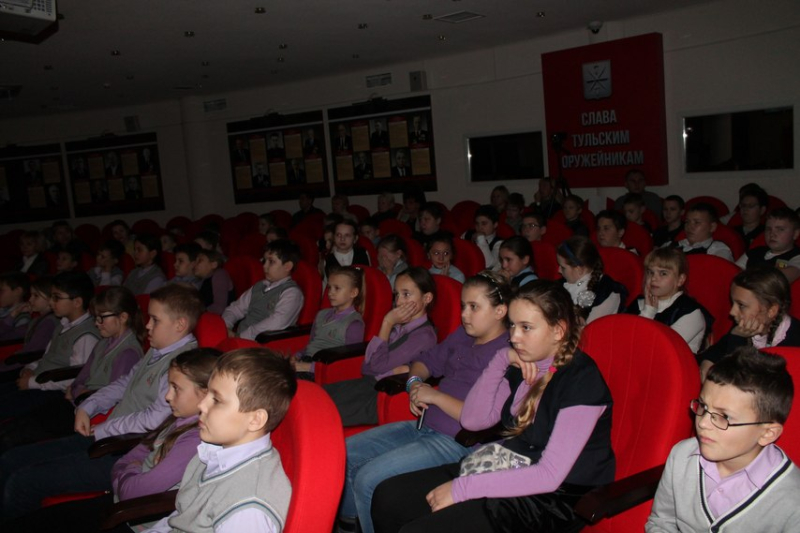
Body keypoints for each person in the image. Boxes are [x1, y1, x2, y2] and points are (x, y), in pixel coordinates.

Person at [372, 280, 615, 533]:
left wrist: (462, 489)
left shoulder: (581, 379)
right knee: (388, 497)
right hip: (509, 464)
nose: (514, 337)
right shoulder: (522, 363)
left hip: (555, 498)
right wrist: (501, 359)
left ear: (558, 330)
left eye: (526, 327)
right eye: (512, 325)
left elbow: (549, 474)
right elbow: (473, 421)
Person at [0, 284, 203, 519]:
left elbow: (153, 421)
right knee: (11, 459)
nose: (147, 325)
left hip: (125, 449)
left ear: (179, 325)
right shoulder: (159, 349)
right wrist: (88, 406)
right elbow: (124, 383)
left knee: (23, 482)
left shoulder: (184, 367)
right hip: (108, 436)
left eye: (155, 320)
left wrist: (103, 429)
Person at [339, 272, 511, 533]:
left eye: (474, 307)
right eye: (463, 306)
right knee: (346, 454)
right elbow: (425, 361)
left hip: (457, 441)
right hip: (423, 425)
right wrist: (414, 383)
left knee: (367, 479)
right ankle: (350, 526)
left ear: (500, 311)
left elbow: (483, 418)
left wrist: (434, 396)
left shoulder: (508, 352)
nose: (464, 314)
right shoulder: (463, 335)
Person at [3, 348, 219, 533]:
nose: (167, 396)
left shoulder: (194, 439)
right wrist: (129, 469)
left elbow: (133, 492)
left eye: (176, 388)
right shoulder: (179, 419)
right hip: (121, 498)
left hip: (131, 518)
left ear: (205, 394)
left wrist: (127, 470)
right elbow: (135, 454)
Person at [646, 347, 800, 532]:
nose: (703, 423)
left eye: (724, 417)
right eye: (703, 406)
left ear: (767, 433)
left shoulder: (793, 499)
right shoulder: (682, 455)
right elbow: (661, 522)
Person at [142, 348, 296, 533]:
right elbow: (180, 517)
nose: (201, 405)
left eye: (216, 400)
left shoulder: (247, 510)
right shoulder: (213, 451)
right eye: (207, 393)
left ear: (255, 420)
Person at [0, 286, 145, 452]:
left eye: (101, 318)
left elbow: (115, 397)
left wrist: (79, 392)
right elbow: (82, 376)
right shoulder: (104, 342)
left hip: (93, 415)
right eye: (95, 318)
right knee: (17, 424)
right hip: (77, 403)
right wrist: (77, 389)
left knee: (17, 437)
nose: (96, 323)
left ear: (123, 317)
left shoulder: (128, 353)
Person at [325, 267, 437, 426]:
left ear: (427, 298)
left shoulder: (423, 336)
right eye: (397, 294)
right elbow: (366, 367)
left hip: (381, 396)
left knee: (321, 413)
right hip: (369, 384)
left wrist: (387, 322)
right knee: (316, 396)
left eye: (406, 294)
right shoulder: (400, 325)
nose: (399, 302)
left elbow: (375, 365)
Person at [0, 271, 100, 392]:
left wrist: (32, 383)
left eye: (56, 298)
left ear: (77, 302)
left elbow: (76, 376)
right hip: (39, 380)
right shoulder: (62, 325)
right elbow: (47, 357)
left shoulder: (86, 335)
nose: (51, 302)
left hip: (54, 391)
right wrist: (30, 368)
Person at [699, 266, 800, 378]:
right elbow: (719, 348)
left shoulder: (794, 341)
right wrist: (708, 361)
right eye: (733, 303)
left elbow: (740, 376)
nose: (732, 312)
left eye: (741, 305)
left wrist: (737, 338)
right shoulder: (744, 326)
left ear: (771, 311)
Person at [626, 248, 711, 353]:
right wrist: (647, 309)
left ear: (680, 280)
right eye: (650, 272)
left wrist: (648, 312)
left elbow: (659, 351)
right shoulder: (638, 303)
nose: (653, 278)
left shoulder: (690, 312)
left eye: (663, 273)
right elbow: (621, 340)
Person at [222, 239, 303, 341]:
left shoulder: (292, 293)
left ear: (287, 266)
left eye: (271, 262)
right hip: (240, 339)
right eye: (264, 261)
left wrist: (241, 337)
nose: (264, 266)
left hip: (262, 343)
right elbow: (236, 308)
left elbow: (277, 323)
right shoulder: (259, 286)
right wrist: (225, 327)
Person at [294, 266, 365, 377]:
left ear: (353, 292)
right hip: (306, 361)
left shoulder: (354, 324)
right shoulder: (321, 314)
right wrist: (296, 356)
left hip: (322, 370)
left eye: (337, 288)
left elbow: (347, 363)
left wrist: (308, 367)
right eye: (329, 287)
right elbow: (311, 344)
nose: (330, 293)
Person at [557, 236, 627, 324]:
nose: (559, 270)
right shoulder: (562, 283)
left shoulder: (606, 292)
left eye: (563, 267)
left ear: (579, 270)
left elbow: (591, 329)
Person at [737, 208, 800, 282]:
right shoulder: (754, 252)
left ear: (795, 234)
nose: (772, 234)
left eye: (780, 229)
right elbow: (732, 272)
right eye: (768, 229)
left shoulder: (797, 256)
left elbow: (780, 278)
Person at [14, 277, 59, 354]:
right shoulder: (38, 319)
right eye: (31, 295)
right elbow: (13, 334)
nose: (30, 300)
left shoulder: (49, 322)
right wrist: (14, 313)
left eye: (36, 296)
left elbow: (31, 352)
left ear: (50, 298)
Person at [194, 249, 235, 315]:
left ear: (214, 264)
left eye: (200, 261)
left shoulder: (220, 274)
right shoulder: (202, 280)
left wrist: (196, 313)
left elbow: (219, 308)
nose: (195, 264)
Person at [463, 205, 503, 270]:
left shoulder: (499, 243)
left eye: (484, 224)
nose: (480, 227)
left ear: (495, 224)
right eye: (477, 224)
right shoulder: (467, 234)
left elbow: (488, 264)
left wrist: (481, 238)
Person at [0, 272, 31, 342]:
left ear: (17, 291)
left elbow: (12, 341)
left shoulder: (23, 317)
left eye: (1, 291)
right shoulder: (2, 310)